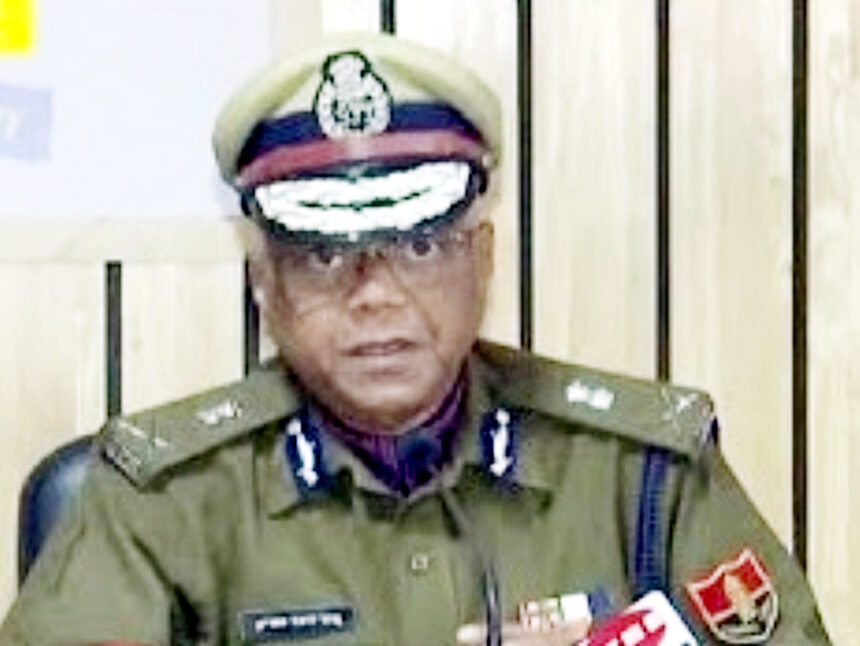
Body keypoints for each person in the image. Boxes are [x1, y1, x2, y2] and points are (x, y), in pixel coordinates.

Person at [0, 33, 830, 646]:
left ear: (484, 260)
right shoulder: (161, 498)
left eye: (422, 246)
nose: (377, 295)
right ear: (264, 286)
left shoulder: (640, 474)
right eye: (325, 256)